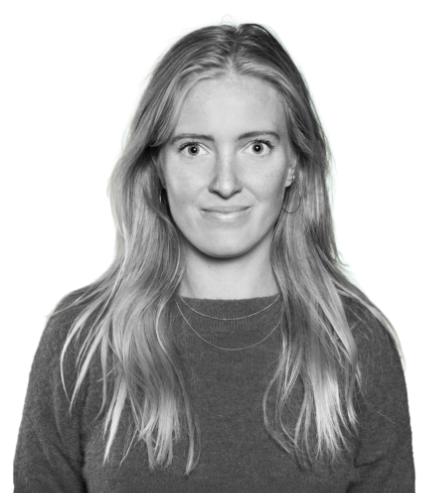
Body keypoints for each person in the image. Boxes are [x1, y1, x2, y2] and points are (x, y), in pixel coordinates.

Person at [13, 15, 415, 492]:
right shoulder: (80, 338)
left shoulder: (357, 343)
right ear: (157, 165)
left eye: (257, 147)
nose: (225, 183)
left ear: (294, 162)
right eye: (194, 149)